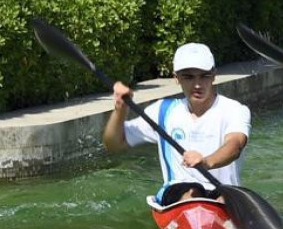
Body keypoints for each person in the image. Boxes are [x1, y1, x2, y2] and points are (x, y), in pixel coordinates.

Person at [103, 43, 251, 205]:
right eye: (188, 77)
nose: (197, 84)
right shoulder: (162, 111)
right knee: (192, 193)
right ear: (176, 78)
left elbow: (234, 145)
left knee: (221, 199)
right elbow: (114, 144)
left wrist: (206, 162)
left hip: (223, 193)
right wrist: (120, 109)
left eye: (204, 76)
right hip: (179, 193)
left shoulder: (234, 109)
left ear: (214, 75)